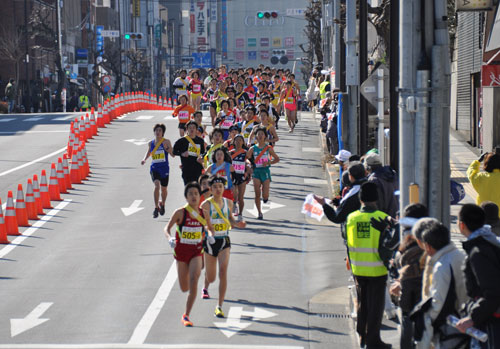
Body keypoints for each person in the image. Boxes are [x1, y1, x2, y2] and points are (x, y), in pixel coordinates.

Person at [345, 182, 391, 349]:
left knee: (362, 303)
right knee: (376, 307)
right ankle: (373, 341)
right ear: (376, 199)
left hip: (358, 268)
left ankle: (361, 334)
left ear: (360, 199)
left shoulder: (351, 218)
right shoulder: (383, 218)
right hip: (378, 269)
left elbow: (347, 240)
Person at [413, 220, 468, 349]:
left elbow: (439, 303)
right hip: (465, 319)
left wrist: (427, 321)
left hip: (451, 326)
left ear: (428, 246)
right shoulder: (460, 255)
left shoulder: (442, 266)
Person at [456, 204, 500, 349]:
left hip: (492, 320)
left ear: (462, 225)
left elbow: (492, 293)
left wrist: (473, 318)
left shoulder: (478, 252)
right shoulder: (491, 241)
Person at [200, 176, 246, 317]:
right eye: (215, 187)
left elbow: (230, 219)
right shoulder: (206, 205)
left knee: (223, 272)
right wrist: (209, 232)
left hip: (224, 241)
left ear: (224, 187)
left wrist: (238, 224)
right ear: (211, 189)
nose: (218, 189)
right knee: (211, 275)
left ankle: (219, 306)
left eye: (220, 186)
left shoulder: (229, 203)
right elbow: (204, 223)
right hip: (210, 242)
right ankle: (206, 285)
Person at [164, 182, 205, 327]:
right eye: (190, 194)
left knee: (194, 279)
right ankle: (186, 284)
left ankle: (186, 315)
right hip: (181, 253)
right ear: (186, 197)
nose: (193, 196)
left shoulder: (203, 213)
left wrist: (210, 236)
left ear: (200, 196)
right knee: (184, 287)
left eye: (196, 193)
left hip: (196, 252)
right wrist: (170, 238)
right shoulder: (180, 212)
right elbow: (167, 228)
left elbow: (209, 229)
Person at [315, 161, 367, 226]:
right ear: (365, 172)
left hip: (355, 230)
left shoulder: (353, 193)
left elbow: (337, 217)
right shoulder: (373, 185)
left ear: (350, 176)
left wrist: (324, 204)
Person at [141, 124, 175, 218]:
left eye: (160, 130)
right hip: (154, 168)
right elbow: (149, 152)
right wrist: (144, 159)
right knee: (157, 185)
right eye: (156, 130)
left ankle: (162, 204)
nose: (158, 132)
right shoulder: (151, 143)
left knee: (164, 189)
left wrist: (167, 148)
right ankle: (156, 208)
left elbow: (173, 154)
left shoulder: (166, 142)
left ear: (163, 132)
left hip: (164, 168)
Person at [246, 126, 280, 220]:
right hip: (256, 172)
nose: (260, 136)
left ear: (265, 136)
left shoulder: (268, 148)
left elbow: (277, 159)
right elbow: (247, 158)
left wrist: (269, 162)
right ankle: (259, 212)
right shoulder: (253, 148)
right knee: (257, 194)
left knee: (265, 193)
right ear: (256, 137)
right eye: (258, 134)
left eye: (262, 134)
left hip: (265, 172)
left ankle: (265, 197)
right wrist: (250, 165)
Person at [364, 153, 399, 218]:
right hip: (395, 217)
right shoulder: (393, 174)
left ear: (368, 167)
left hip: (382, 219)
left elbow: (377, 203)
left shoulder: (373, 180)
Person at [230, 134, 251, 221]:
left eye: (240, 140)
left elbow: (248, 161)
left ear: (243, 142)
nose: (238, 142)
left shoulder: (245, 152)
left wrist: (248, 165)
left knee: (241, 197)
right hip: (233, 176)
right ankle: (234, 203)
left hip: (242, 176)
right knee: (234, 194)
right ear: (234, 142)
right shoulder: (230, 152)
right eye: (236, 140)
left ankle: (240, 214)